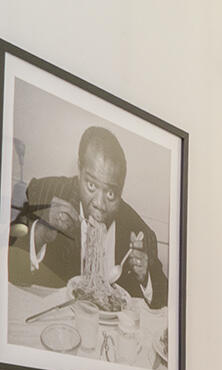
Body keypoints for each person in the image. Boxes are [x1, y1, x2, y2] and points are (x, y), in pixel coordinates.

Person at [7, 125, 166, 308]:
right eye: (91, 185)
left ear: (121, 190)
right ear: (80, 170)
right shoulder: (46, 194)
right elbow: (7, 265)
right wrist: (40, 233)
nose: (99, 203)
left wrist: (145, 278)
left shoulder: (138, 231)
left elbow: (164, 300)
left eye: (111, 194)